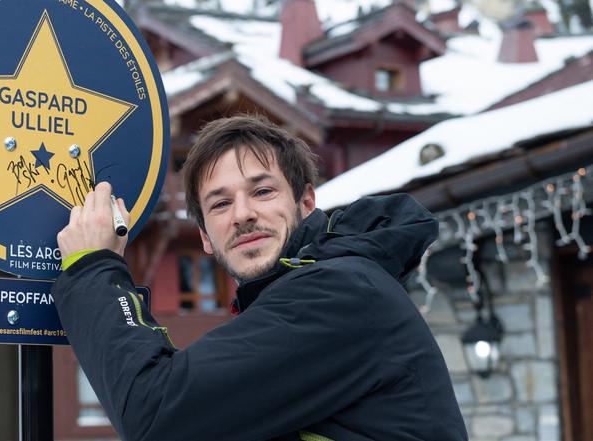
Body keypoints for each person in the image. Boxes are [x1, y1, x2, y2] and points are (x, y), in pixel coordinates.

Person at [53, 115, 468, 441]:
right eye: (220, 204)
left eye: (263, 191)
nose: (242, 214)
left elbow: (154, 413)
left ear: (306, 201)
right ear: (205, 239)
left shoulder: (340, 292)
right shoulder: (296, 299)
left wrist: (95, 267)